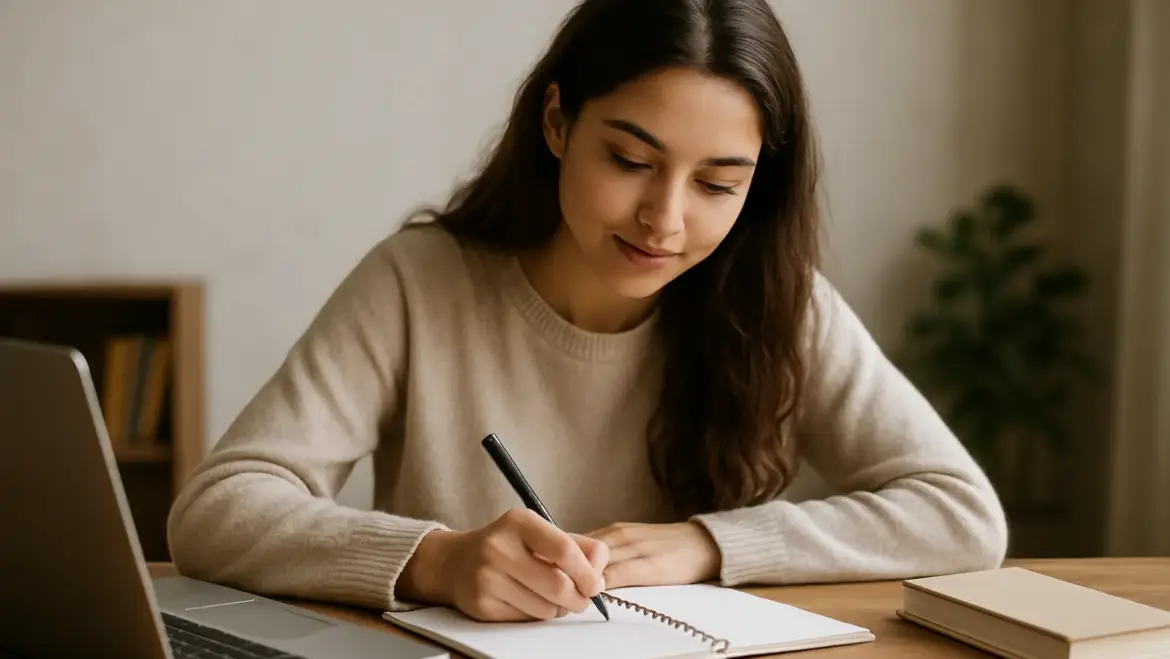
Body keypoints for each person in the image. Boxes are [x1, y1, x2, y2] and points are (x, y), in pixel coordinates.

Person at [167, 0, 1008, 624]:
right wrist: (437, 559)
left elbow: (961, 512)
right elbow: (214, 510)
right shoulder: (418, 283)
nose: (666, 219)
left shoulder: (778, 303)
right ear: (558, 121)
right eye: (631, 159)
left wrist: (709, 543)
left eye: (718, 184)